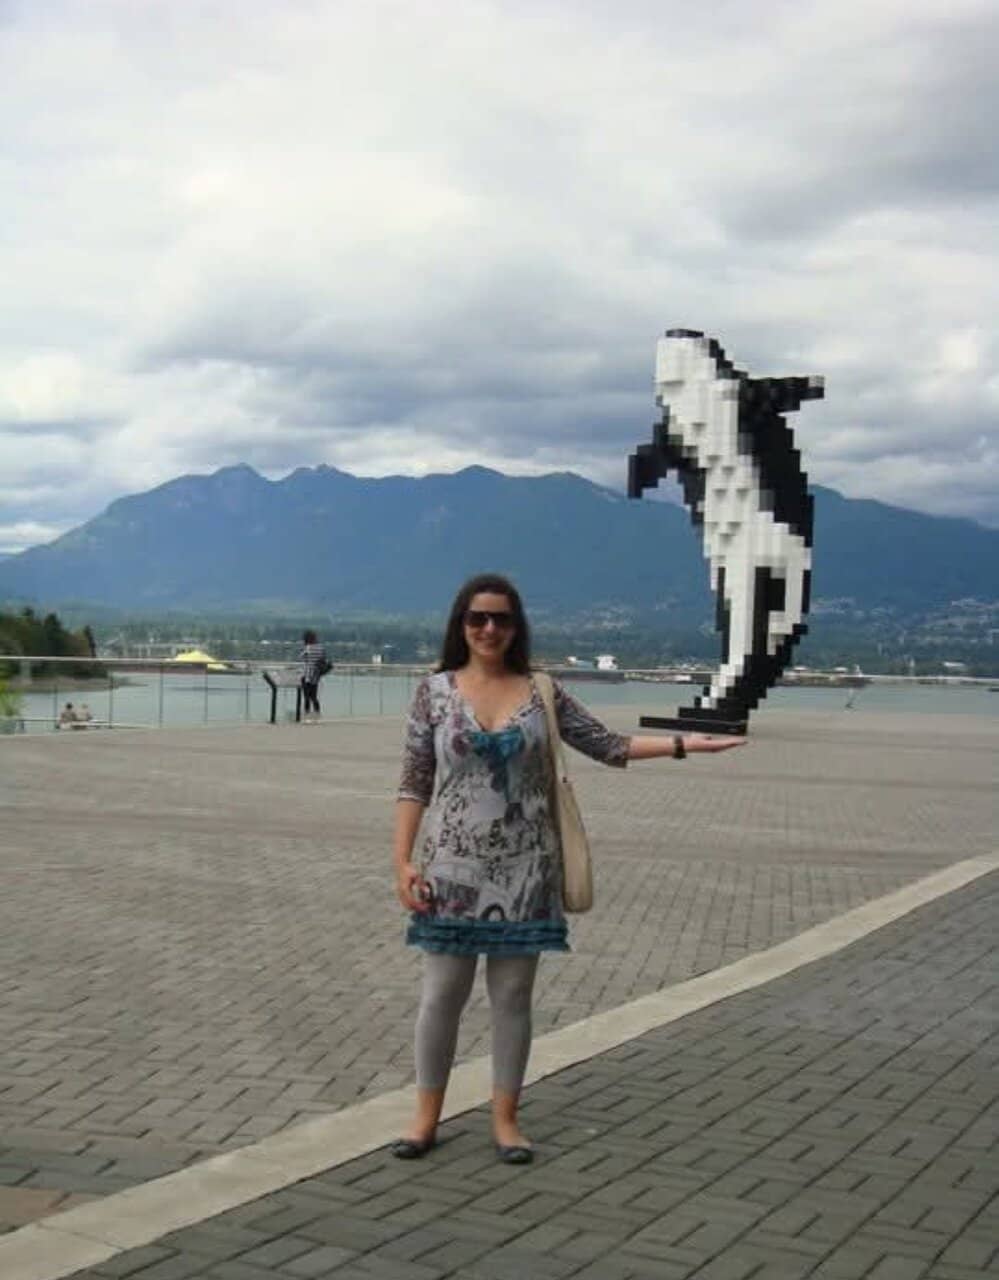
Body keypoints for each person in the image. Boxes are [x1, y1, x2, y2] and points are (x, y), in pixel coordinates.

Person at [393, 573, 744, 1165]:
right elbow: (413, 783)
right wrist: (402, 861)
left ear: (516, 627)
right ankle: (426, 1116)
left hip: (528, 872)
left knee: (512, 996)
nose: (488, 628)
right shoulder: (434, 693)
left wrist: (685, 745)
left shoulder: (541, 692)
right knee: (441, 996)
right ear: (461, 624)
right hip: (450, 871)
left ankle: (506, 1119)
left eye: (501, 619)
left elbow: (608, 745)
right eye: (477, 618)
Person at [299, 629, 328, 724]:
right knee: (314, 697)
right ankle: (317, 715)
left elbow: (301, 657)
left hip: (307, 674)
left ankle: (307, 716)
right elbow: (323, 658)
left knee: (306, 697)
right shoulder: (321, 648)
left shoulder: (308, 648)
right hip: (316, 675)